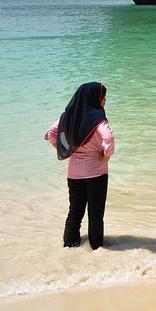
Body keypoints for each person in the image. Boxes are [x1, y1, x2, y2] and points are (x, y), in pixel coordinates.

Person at [45, 81, 114, 249]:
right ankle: (97, 248)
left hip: (74, 173)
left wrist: (67, 150)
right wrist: (106, 156)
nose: (105, 100)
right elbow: (109, 139)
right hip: (96, 172)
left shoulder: (68, 116)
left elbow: (50, 134)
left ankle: (70, 246)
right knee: (95, 215)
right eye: (103, 96)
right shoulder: (98, 119)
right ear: (94, 98)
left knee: (75, 211)